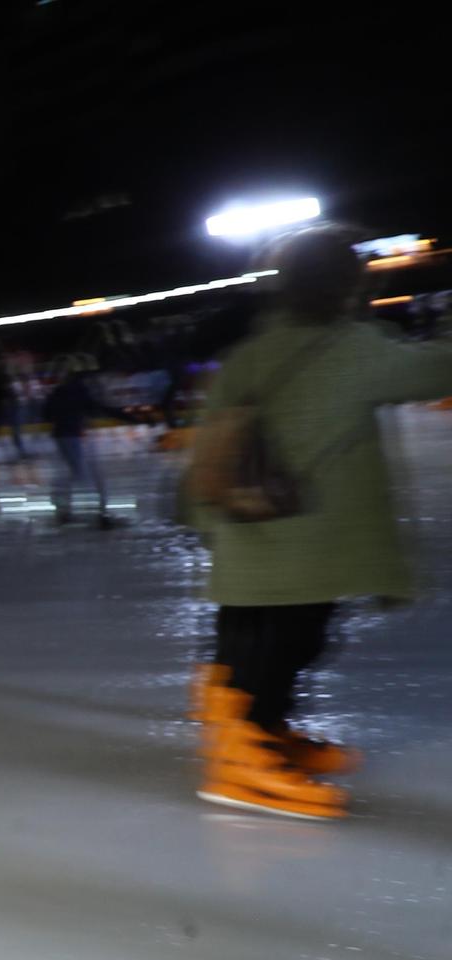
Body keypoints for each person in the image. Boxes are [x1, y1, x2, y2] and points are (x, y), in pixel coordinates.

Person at [186, 223, 452, 821]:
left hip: (246, 535)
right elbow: (438, 371)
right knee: (289, 642)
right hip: (305, 545)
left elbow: (210, 444)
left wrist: (205, 521)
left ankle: (259, 734)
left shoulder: (251, 351)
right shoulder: (354, 349)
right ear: (345, 285)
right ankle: (237, 763)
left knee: (257, 642)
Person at [42, 356, 136, 526]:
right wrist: (128, 416)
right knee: (84, 474)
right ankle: (97, 513)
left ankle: (65, 509)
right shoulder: (79, 389)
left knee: (77, 472)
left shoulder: (60, 390)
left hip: (65, 435)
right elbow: (97, 407)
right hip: (72, 435)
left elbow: (47, 413)